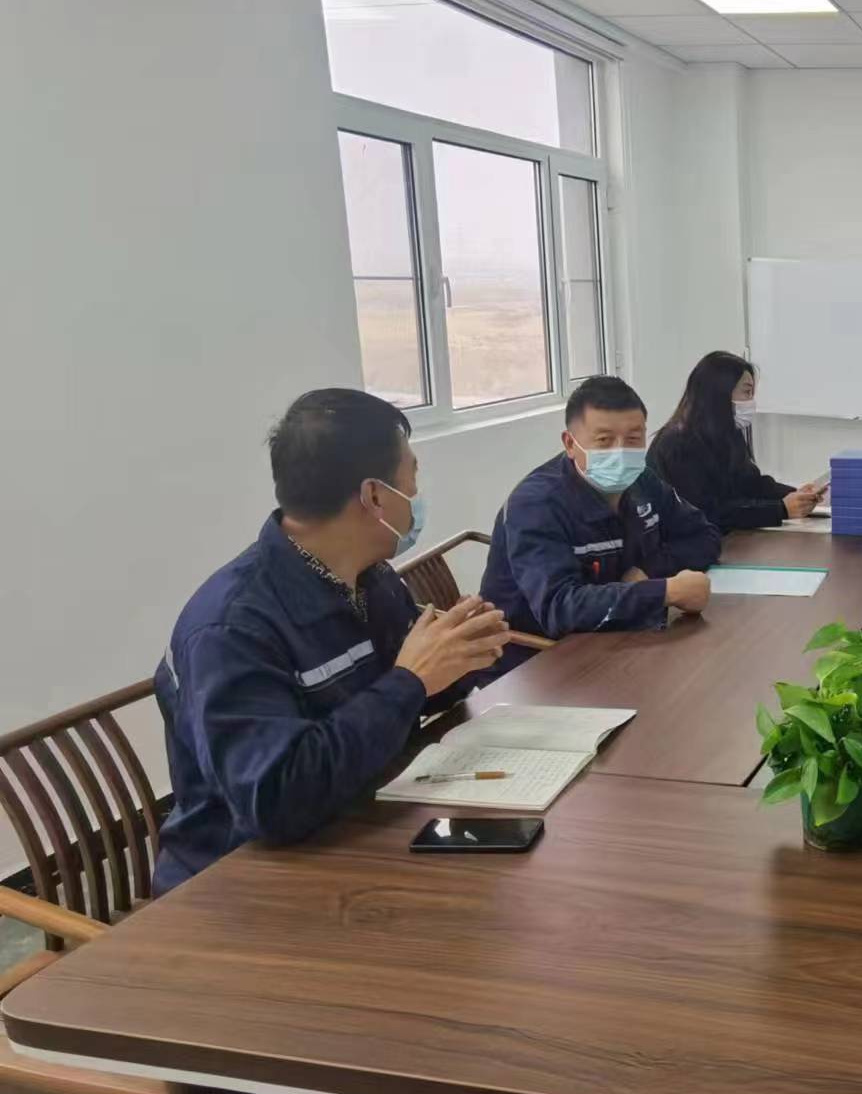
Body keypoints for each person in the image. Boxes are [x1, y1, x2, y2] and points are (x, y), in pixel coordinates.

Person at [154, 388, 510, 893]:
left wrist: (458, 656)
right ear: (374, 496)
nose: (417, 492)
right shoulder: (230, 629)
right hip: (240, 885)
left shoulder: (370, 578)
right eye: (412, 475)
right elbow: (275, 801)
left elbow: (397, 700)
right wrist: (412, 680)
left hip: (360, 821)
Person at [479, 375, 720, 681]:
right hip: (537, 665)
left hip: (623, 641)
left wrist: (649, 570)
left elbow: (703, 535)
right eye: (604, 440)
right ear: (570, 444)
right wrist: (664, 591)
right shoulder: (536, 504)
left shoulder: (642, 480)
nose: (621, 453)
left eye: (633, 439)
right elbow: (559, 609)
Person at [648, 351, 826, 531]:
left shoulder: (728, 433)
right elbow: (707, 511)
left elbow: (751, 484)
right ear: (719, 393)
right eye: (747, 392)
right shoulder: (677, 445)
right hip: (686, 541)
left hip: (721, 537)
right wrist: (781, 510)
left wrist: (796, 494)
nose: (751, 402)